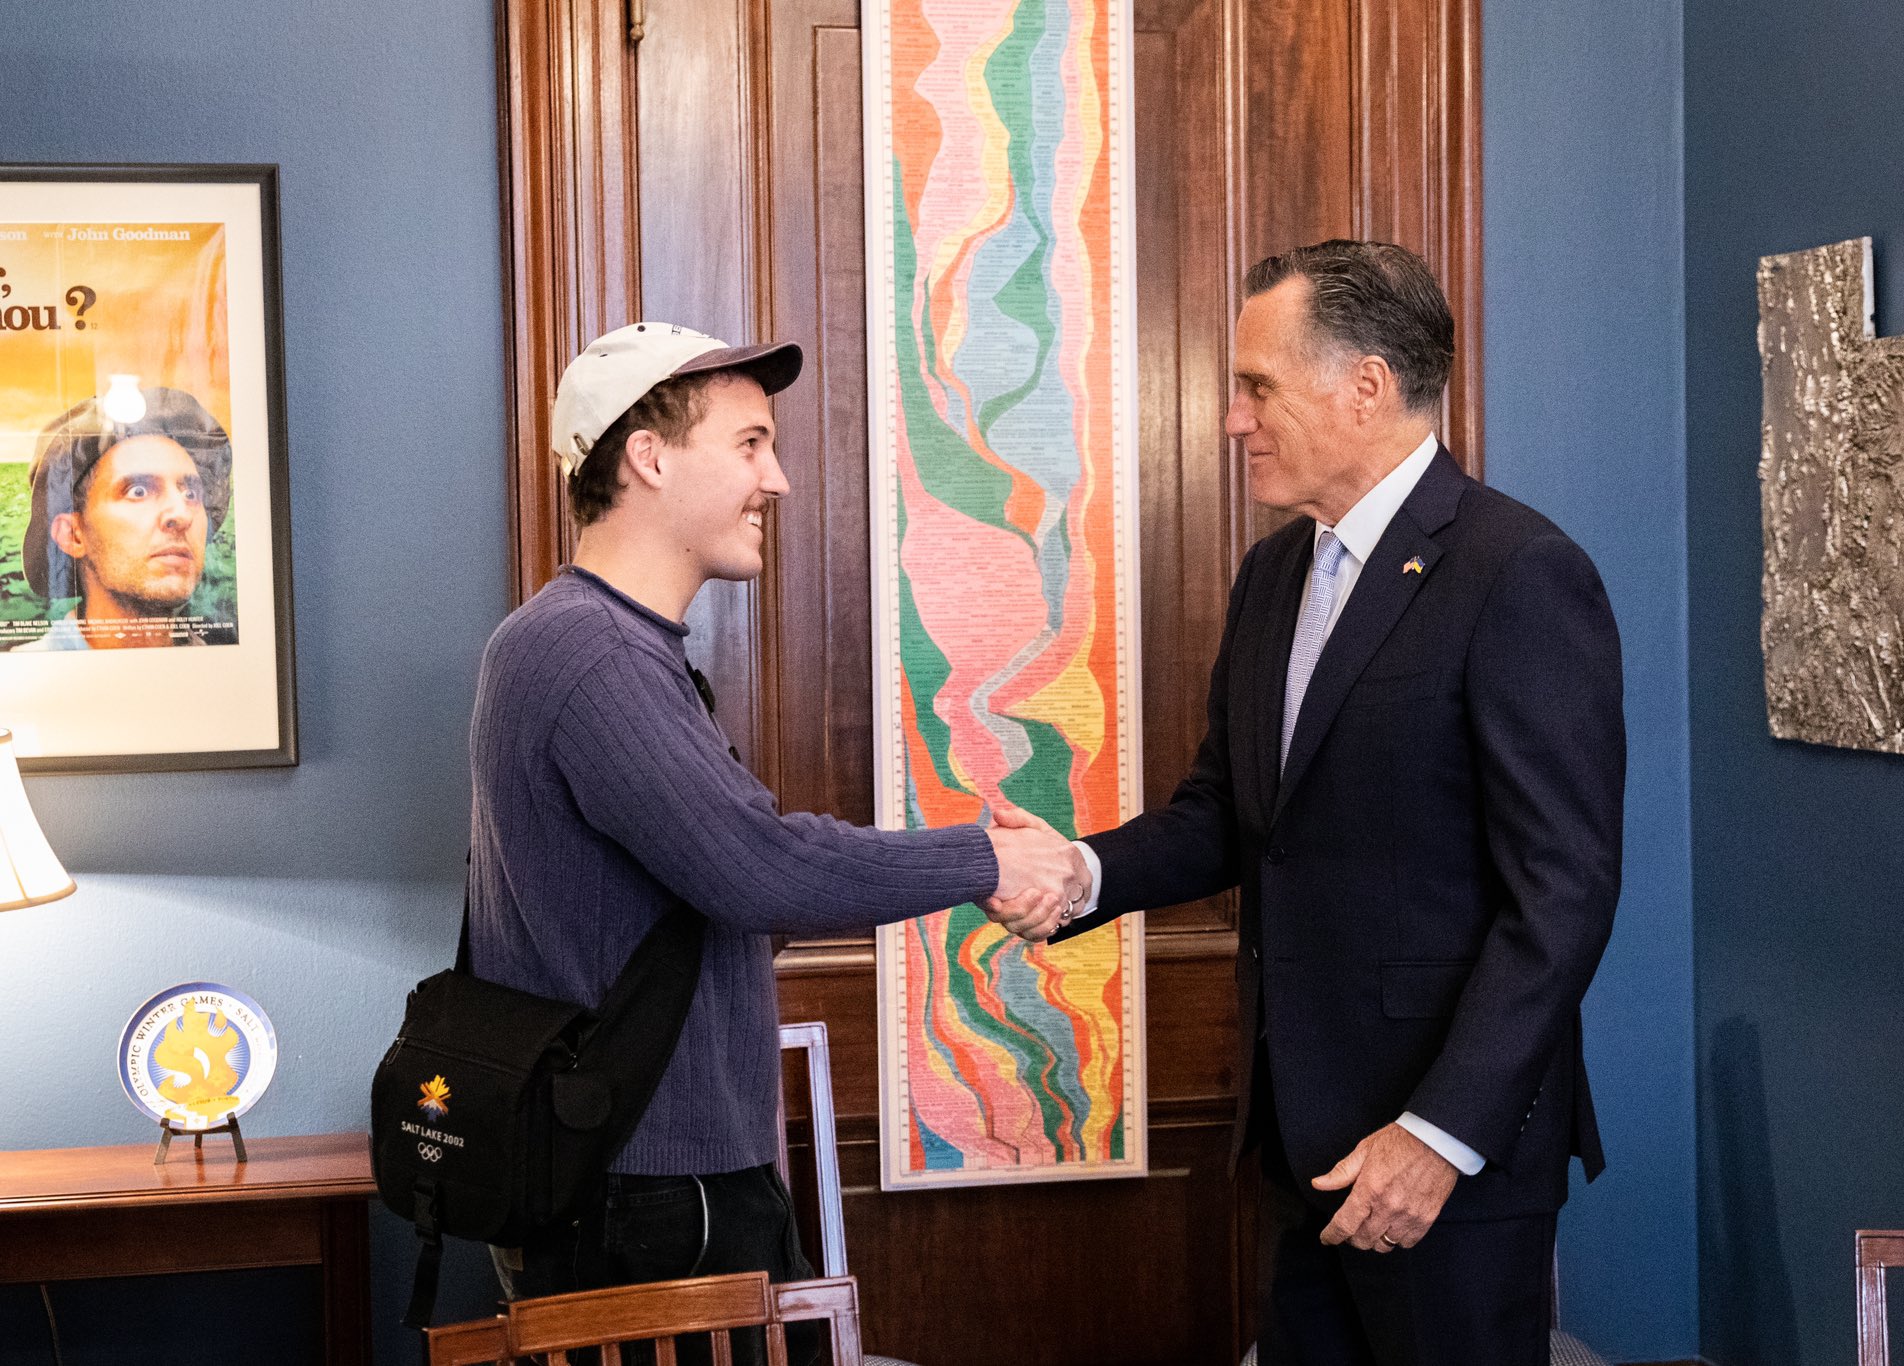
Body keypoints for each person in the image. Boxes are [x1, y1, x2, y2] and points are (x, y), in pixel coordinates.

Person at [1047, 241, 1625, 1364]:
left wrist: (1436, 1134)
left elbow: (1561, 895)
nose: (1231, 418)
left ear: (1363, 385)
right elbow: (1229, 814)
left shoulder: (1515, 571)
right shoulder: (1273, 575)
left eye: (1255, 385)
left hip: (1440, 1157)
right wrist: (1083, 872)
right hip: (1299, 1138)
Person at [467, 322, 1087, 1365]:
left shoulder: (605, 647)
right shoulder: (588, 654)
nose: (780, 479)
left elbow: (711, 893)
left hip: (658, 1180)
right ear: (648, 458)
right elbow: (761, 870)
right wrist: (988, 857)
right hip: (651, 1196)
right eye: (750, 444)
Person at [13, 386, 234, 651]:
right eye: (138, 491)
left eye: (190, 493)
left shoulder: (220, 664)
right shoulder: (31, 676)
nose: (182, 513)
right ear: (73, 534)